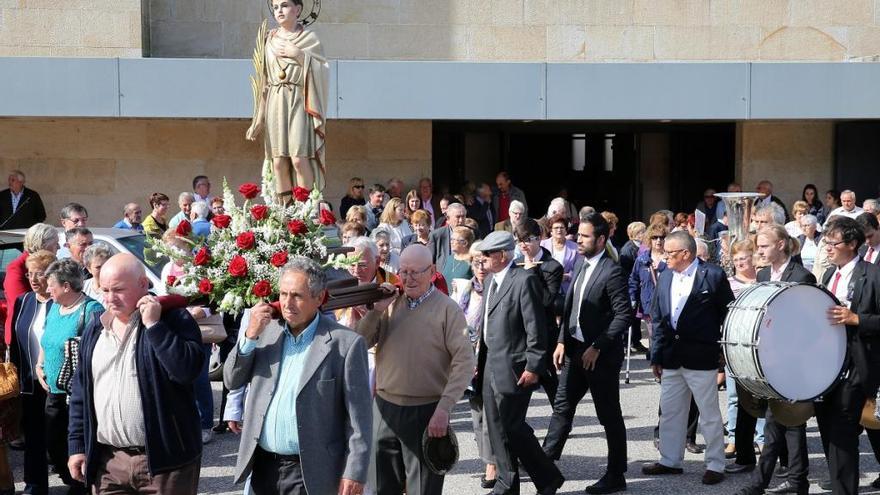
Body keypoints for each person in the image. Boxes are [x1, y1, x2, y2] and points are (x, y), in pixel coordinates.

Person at [224, 257, 370, 494]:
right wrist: (249, 337)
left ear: (320, 298)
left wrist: (355, 471)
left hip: (309, 472)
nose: (287, 303)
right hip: (263, 466)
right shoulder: (265, 332)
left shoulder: (345, 344)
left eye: (297, 296)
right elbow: (232, 380)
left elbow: (359, 418)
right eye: (283, 294)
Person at [67, 253, 204, 494]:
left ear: (143, 284)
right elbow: (81, 391)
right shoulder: (96, 327)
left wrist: (154, 326)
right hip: (108, 462)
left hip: (165, 463)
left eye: (118, 290)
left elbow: (186, 371)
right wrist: (77, 446)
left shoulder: (173, 319)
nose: (109, 298)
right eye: (105, 290)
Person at [357, 245, 474, 495]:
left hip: (426, 410)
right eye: (403, 271)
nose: (407, 279)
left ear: (432, 271)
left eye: (415, 273)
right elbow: (360, 342)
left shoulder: (447, 309)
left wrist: (444, 409)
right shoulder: (389, 303)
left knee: (422, 488)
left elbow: (464, 362)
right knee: (380, 487)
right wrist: (375, 311)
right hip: (385, 407)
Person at [543, 213, 631, 495]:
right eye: (578, 234)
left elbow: (623, 315)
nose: (577, 239)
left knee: (608, 415)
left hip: (600, 356)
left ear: (601, 239)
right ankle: (544, 465)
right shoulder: (581, 262)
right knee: (562, 408)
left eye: (584, 236)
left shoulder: (612, 270)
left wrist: (598, 346)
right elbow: (571, 307)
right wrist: (560, 341)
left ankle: (616, 474)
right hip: (574, 350)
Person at [643, 231, 734, 486]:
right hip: (672, 357)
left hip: (701, 355)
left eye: (670, 253)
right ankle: (670, 460)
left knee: (709, 413)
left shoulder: (713, 276)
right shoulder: (665, 276)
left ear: (685, 253)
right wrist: (656, 356)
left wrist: (722, 356)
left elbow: (727, 315)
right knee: (671, 411)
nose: (665, 257)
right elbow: (659, 318)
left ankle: (715, 463)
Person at [477, 231, 564, 495]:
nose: (482, 260)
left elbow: (535, 327)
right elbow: (487, 324)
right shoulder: (491, 280)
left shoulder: (523, 280)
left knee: (512, 426)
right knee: (495, 427)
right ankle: (507, 484)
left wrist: (534, 366)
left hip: (514, 367)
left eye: (487, 255)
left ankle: (548, 477)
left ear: (502, 255)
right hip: (490, 365)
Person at [734, 226, 814, 495]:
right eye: (758, 247)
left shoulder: (802, 275)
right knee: (782, 422)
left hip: (795, 359)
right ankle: (796, 481)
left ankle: (767, 483)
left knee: (789, 422)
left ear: (781, 245)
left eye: (764, 246)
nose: (759, 252)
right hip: (770, 359)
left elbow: (808, 321)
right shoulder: (764, 274)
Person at [814, 216, 880, 495]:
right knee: (829, 429)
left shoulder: (873, 274)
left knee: (842, 430)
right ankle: (841, 482)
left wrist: (857, 319)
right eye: (825, 242)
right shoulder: (829, 275)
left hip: (859, 363)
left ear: (852, 244)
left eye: (833, 243)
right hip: (828, 364)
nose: (827, 248)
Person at [246, 0, 329, 197]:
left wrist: (300, 55)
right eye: (275, 7)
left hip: (299, 99)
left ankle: (305, 210)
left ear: (298, 9)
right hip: (276, 99)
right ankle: (286, 212)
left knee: (299, 158)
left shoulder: (309, 38)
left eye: (284, 5)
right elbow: (263, 81)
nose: (279, 11)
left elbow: (322, 71)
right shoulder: (269, 39)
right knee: (278, 160)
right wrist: (259, 117)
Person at [36, 259, 103, 495]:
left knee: (78, 443)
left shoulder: (91, 310)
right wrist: (39, 364)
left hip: (78, 393)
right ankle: (72, 480)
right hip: (52, 390)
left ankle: (82, 485)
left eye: (51, 285)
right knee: (54, 444)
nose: (47, 290)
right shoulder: (55, 307)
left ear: (66, 286)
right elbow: (46, 338)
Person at [9, 250, 56, 495]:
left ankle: (74, 480)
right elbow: (16, 344)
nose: (34, 279)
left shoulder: (61, 303)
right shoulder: (23, 301)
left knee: (59, 436)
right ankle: (34, 485)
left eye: (40, 274)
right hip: (29, 381)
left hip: (56, 382)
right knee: (33, 437)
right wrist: (15, 377)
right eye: (30, 274)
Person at [455, 242, 497, 489]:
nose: (481, 266)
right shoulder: (466, 289)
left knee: (493, 416)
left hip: (492, 360)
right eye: (476, 262)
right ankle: (490, 459)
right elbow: (458, 326)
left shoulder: (498, 287)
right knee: (477, 416)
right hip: (470, 362)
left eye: (484, 260)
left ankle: (494, 463)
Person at [515, 219, 564, 405]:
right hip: (521, 333)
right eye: (520, 240)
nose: (523, 245)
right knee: (520, 381)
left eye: (528, 240)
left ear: (540, 239)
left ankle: (562, 422)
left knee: (550, 381)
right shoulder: (516, 263)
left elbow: (546, 300)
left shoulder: (553, 266)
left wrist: (531, 272)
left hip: (544, 332)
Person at [722, 240, 760, 460]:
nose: (739, 263)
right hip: (735, 344)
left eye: (743, 258)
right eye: (736, 260)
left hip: (759, 344)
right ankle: (734, 438)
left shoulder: (762, 281)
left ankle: (762, 439)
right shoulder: (728, 283)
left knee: (760, 395)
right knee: (734, 395)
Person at [3, 223, 59, 346]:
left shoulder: (52, 265)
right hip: (23, 337)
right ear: (43, 245)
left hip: (42, 332)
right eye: (55, 243)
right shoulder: (17, 268)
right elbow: (21, 304)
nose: (59, 247)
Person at [629, 222, 668, 357]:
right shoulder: (642, 259)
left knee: (664, 333)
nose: (658, 240)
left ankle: (660, 358)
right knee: (653, 333)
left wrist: (663, 266)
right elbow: (633, 279)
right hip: (648, 303)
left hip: (667, 303)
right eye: (655, 237)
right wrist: (632, 297)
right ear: (649, 239)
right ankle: (656, 361)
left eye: (662, 237)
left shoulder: (671, 258)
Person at [541, 216, 581, 295]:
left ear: (566, 230)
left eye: (562, 227)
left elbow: (579, 268)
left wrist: (567, 276)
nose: (559, 230)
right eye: (556, 228)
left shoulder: (575, 247)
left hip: (566, 290)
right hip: (546, 288)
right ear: (551, 231)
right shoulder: (542, 245)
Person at [427, 203, 467, 268]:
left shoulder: (472, 234)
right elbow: (429, 262)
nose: (461, 220)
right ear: (448, 218)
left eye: (463, 216)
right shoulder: (437, 235)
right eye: (458, 217)